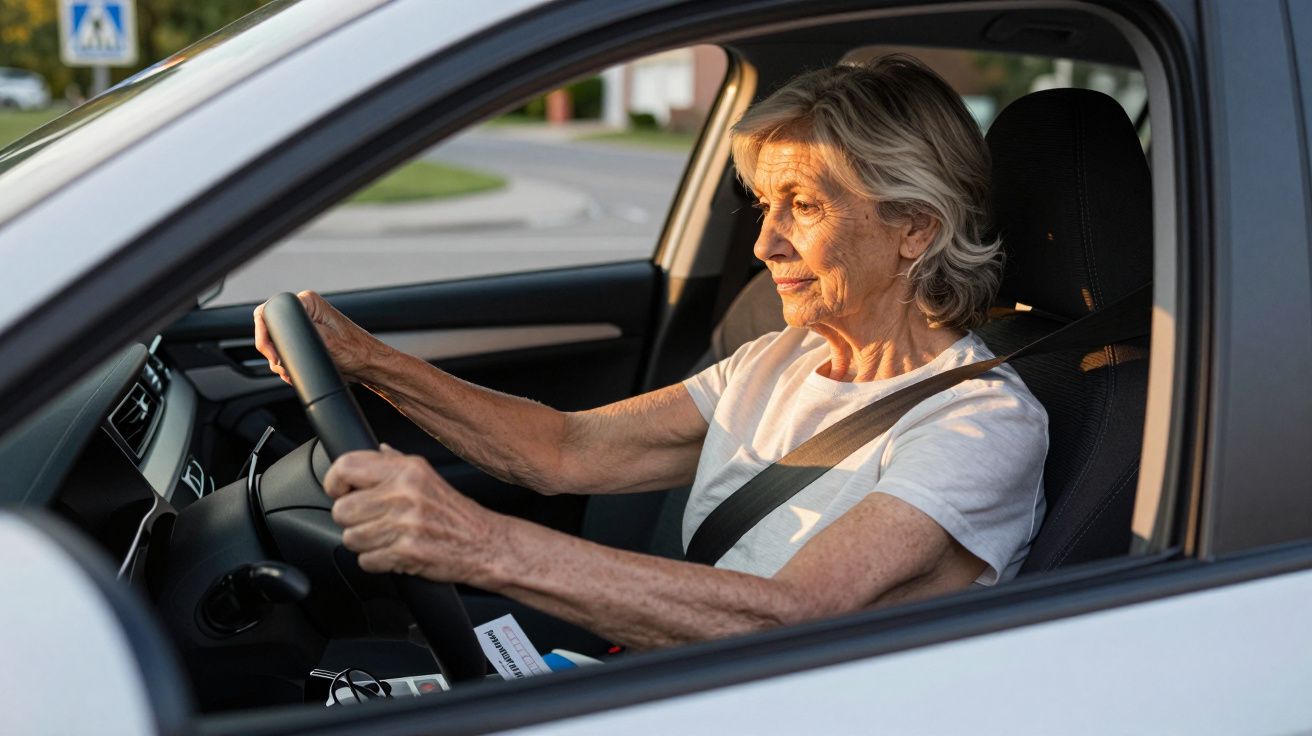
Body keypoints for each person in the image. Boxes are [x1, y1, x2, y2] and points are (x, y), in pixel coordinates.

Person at [253, 55, 1047, 651]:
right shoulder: (779, 360)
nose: (766, 242)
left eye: (802, 206)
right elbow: (565, 450)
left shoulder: (981, 423)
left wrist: (481, 544)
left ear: (915, 228)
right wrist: (368, 361)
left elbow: (791, 615)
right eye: (765, 205)